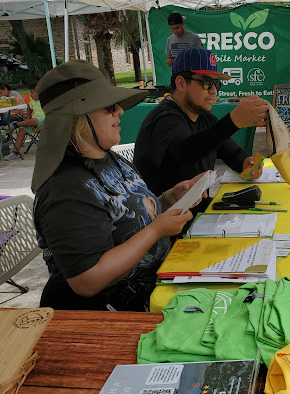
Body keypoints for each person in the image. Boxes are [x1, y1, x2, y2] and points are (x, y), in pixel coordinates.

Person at [32, 60, 207, 311]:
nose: (120, 111)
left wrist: (169, 198)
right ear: (77, 117)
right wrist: (156, 231)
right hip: (105, 314)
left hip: (153, 285)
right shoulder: (66, 189)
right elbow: (87, 280)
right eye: (108, 106)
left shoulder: (109, 158)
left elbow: (128, 216)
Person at [134, 48, 268, 214]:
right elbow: (187, 152)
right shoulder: (163, 119)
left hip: (195, 213)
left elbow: (230, 152)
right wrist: (233, 121)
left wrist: (246, 163)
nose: (214, 91)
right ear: (181, 83)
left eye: (216, 84)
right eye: (206, 82)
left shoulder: (204, 117)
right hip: (164, 221)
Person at [4, 81, 45, 160]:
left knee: (37, 120)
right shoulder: (33, 101)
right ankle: (15, 152)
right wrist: (28, 118)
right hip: (34, 121)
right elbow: (29, 108)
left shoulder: (46, 100)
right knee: (22, 129)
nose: (30, 94)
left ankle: (15, 124)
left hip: (46, 120)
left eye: (32, 92)